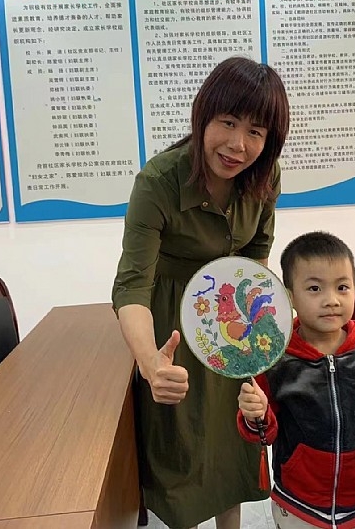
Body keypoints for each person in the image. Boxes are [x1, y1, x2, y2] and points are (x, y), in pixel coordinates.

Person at [111, 56, 290, 529]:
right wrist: (150, 362)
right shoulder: (158, 181)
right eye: (227, 122)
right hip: (171, 320)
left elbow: (256, 255)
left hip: (231, 318)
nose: (238, 144)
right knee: (182, 447)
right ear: (203, 116)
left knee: (232, 440)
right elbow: (131, 285)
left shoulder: (265, 176)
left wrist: (258, 328)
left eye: (255, 131)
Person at [237, 231, 355, 529]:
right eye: (314, 288)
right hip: (297, 505)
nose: (331, 300)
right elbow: (264, 434)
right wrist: (254, 413)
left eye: (342, 287)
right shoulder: (275, 360)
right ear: (290, 297)